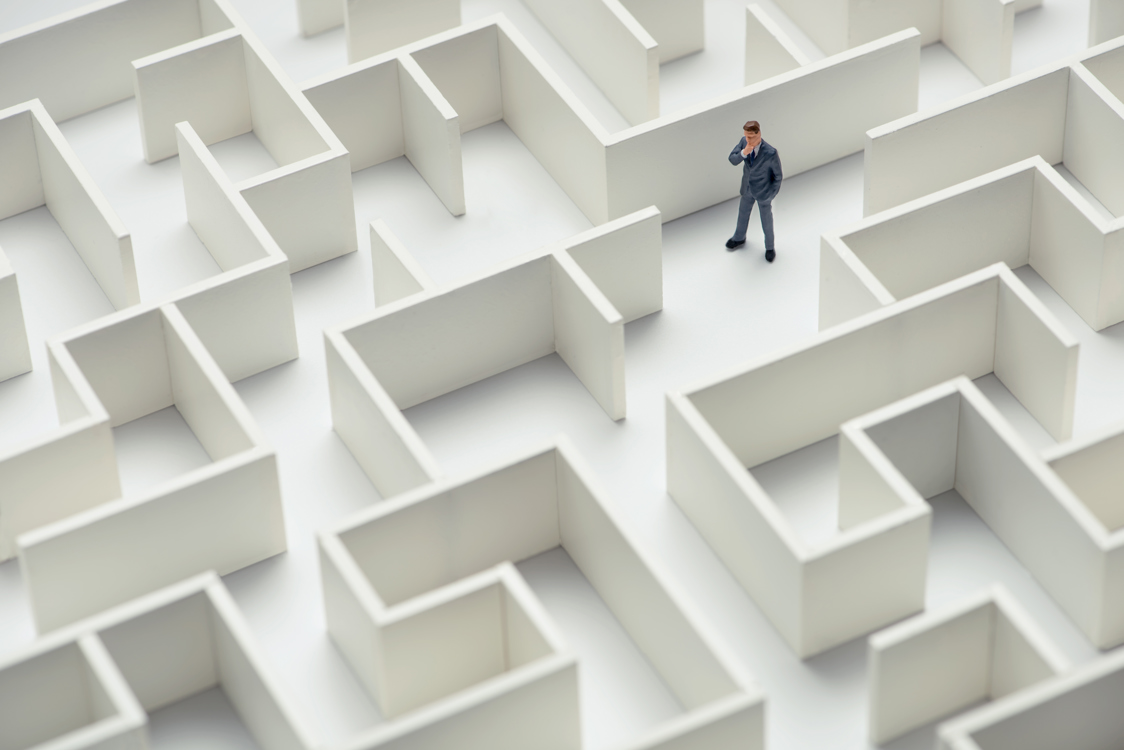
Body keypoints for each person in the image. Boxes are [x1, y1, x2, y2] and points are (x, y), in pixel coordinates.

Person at [726, 120, 782, 262]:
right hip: (747, 189)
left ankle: (770, 247)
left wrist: (771, 194)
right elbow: (732, 159)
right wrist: (744, 153)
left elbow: (778, 176)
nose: (748, 139)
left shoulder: (770, 152)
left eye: (750, 136)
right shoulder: (743, 143)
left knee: (766, 221)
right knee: (743, 214)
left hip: (764, 192)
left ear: (759, 134)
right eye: (746, 136)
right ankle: (739, 238)